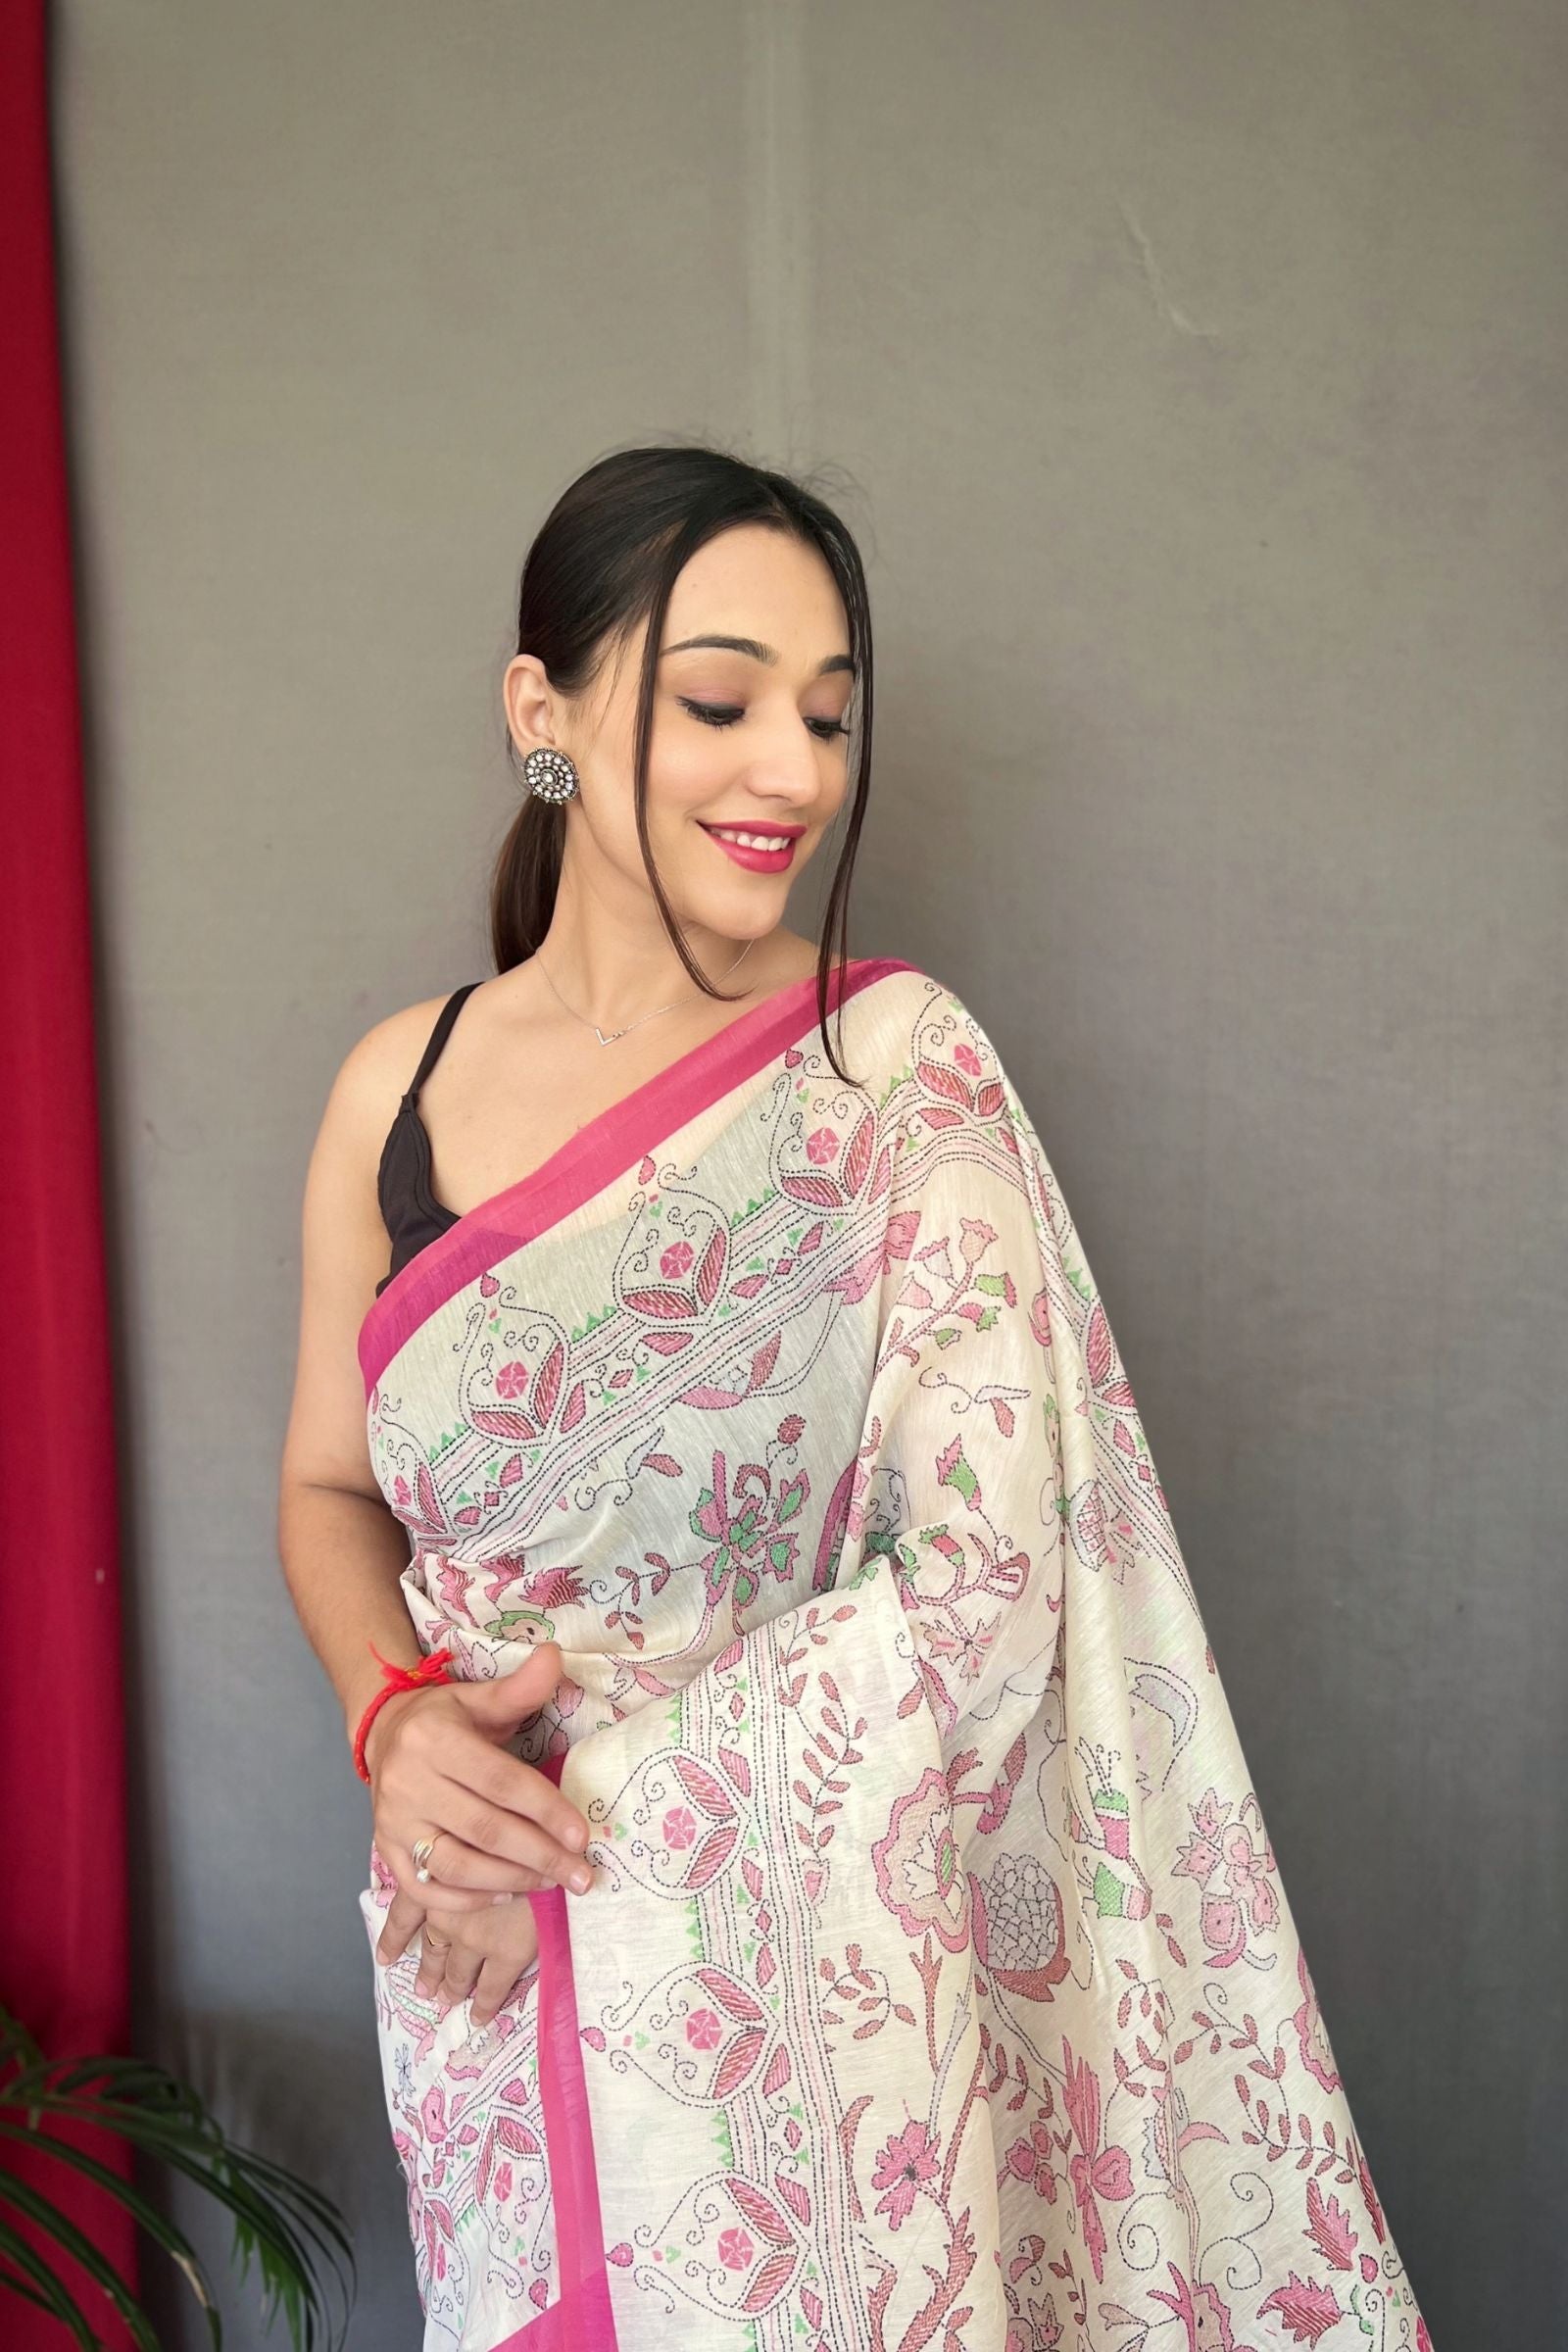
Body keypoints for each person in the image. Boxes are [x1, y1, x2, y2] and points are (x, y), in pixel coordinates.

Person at [277, 445, 1429, 2351]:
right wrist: (393, 1728)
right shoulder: (392, 1095)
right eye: (720, 702)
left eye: (824, 717)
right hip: (479, 1993)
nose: (794, 775)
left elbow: (988, 1586)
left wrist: (573, 1817)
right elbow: (331, 1489)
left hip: (799, 2019)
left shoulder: (887, 1073)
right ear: (541, 715)